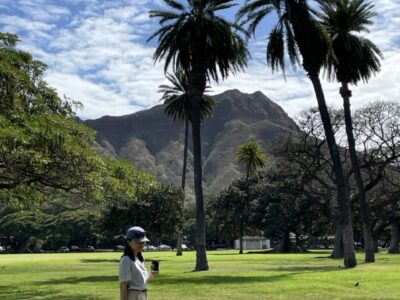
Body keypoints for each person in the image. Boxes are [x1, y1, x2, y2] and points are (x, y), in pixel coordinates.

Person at [119, 226, 158, 300]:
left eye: (143, 242)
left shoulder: (139, 259)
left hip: (143, 294)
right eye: (138, 241)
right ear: (128, 242)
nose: (141, 244)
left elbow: (141, 283)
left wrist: (152, 275)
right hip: (133, 296)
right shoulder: (126, 260)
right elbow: (123, 286)